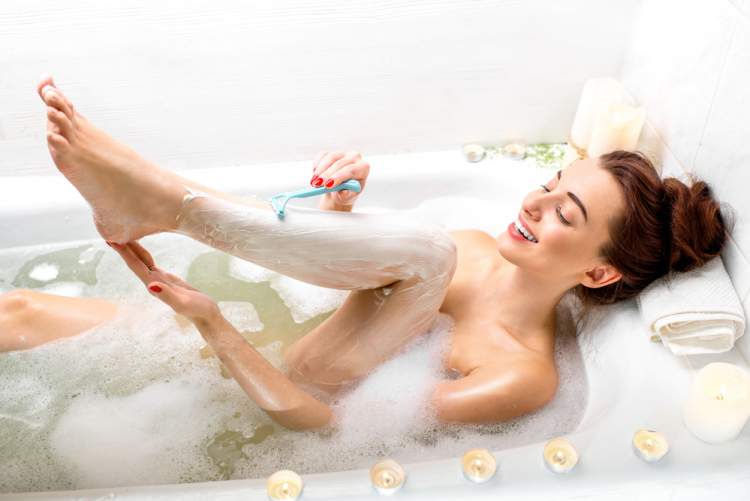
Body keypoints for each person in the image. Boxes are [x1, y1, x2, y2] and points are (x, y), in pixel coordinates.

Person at [0, 76, 729, 430]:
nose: (533, 204)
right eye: (547, 184)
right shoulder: (472, 244)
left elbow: (331, 426)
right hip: (228, 354)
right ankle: (165, 203)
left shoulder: (521, 374)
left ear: (600, 272)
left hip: (257, 397)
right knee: (18, 309)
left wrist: (215, 326)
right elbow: (342, 287)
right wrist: (337, 211)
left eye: (565, 212)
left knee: (425, 250)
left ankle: (168, 203)